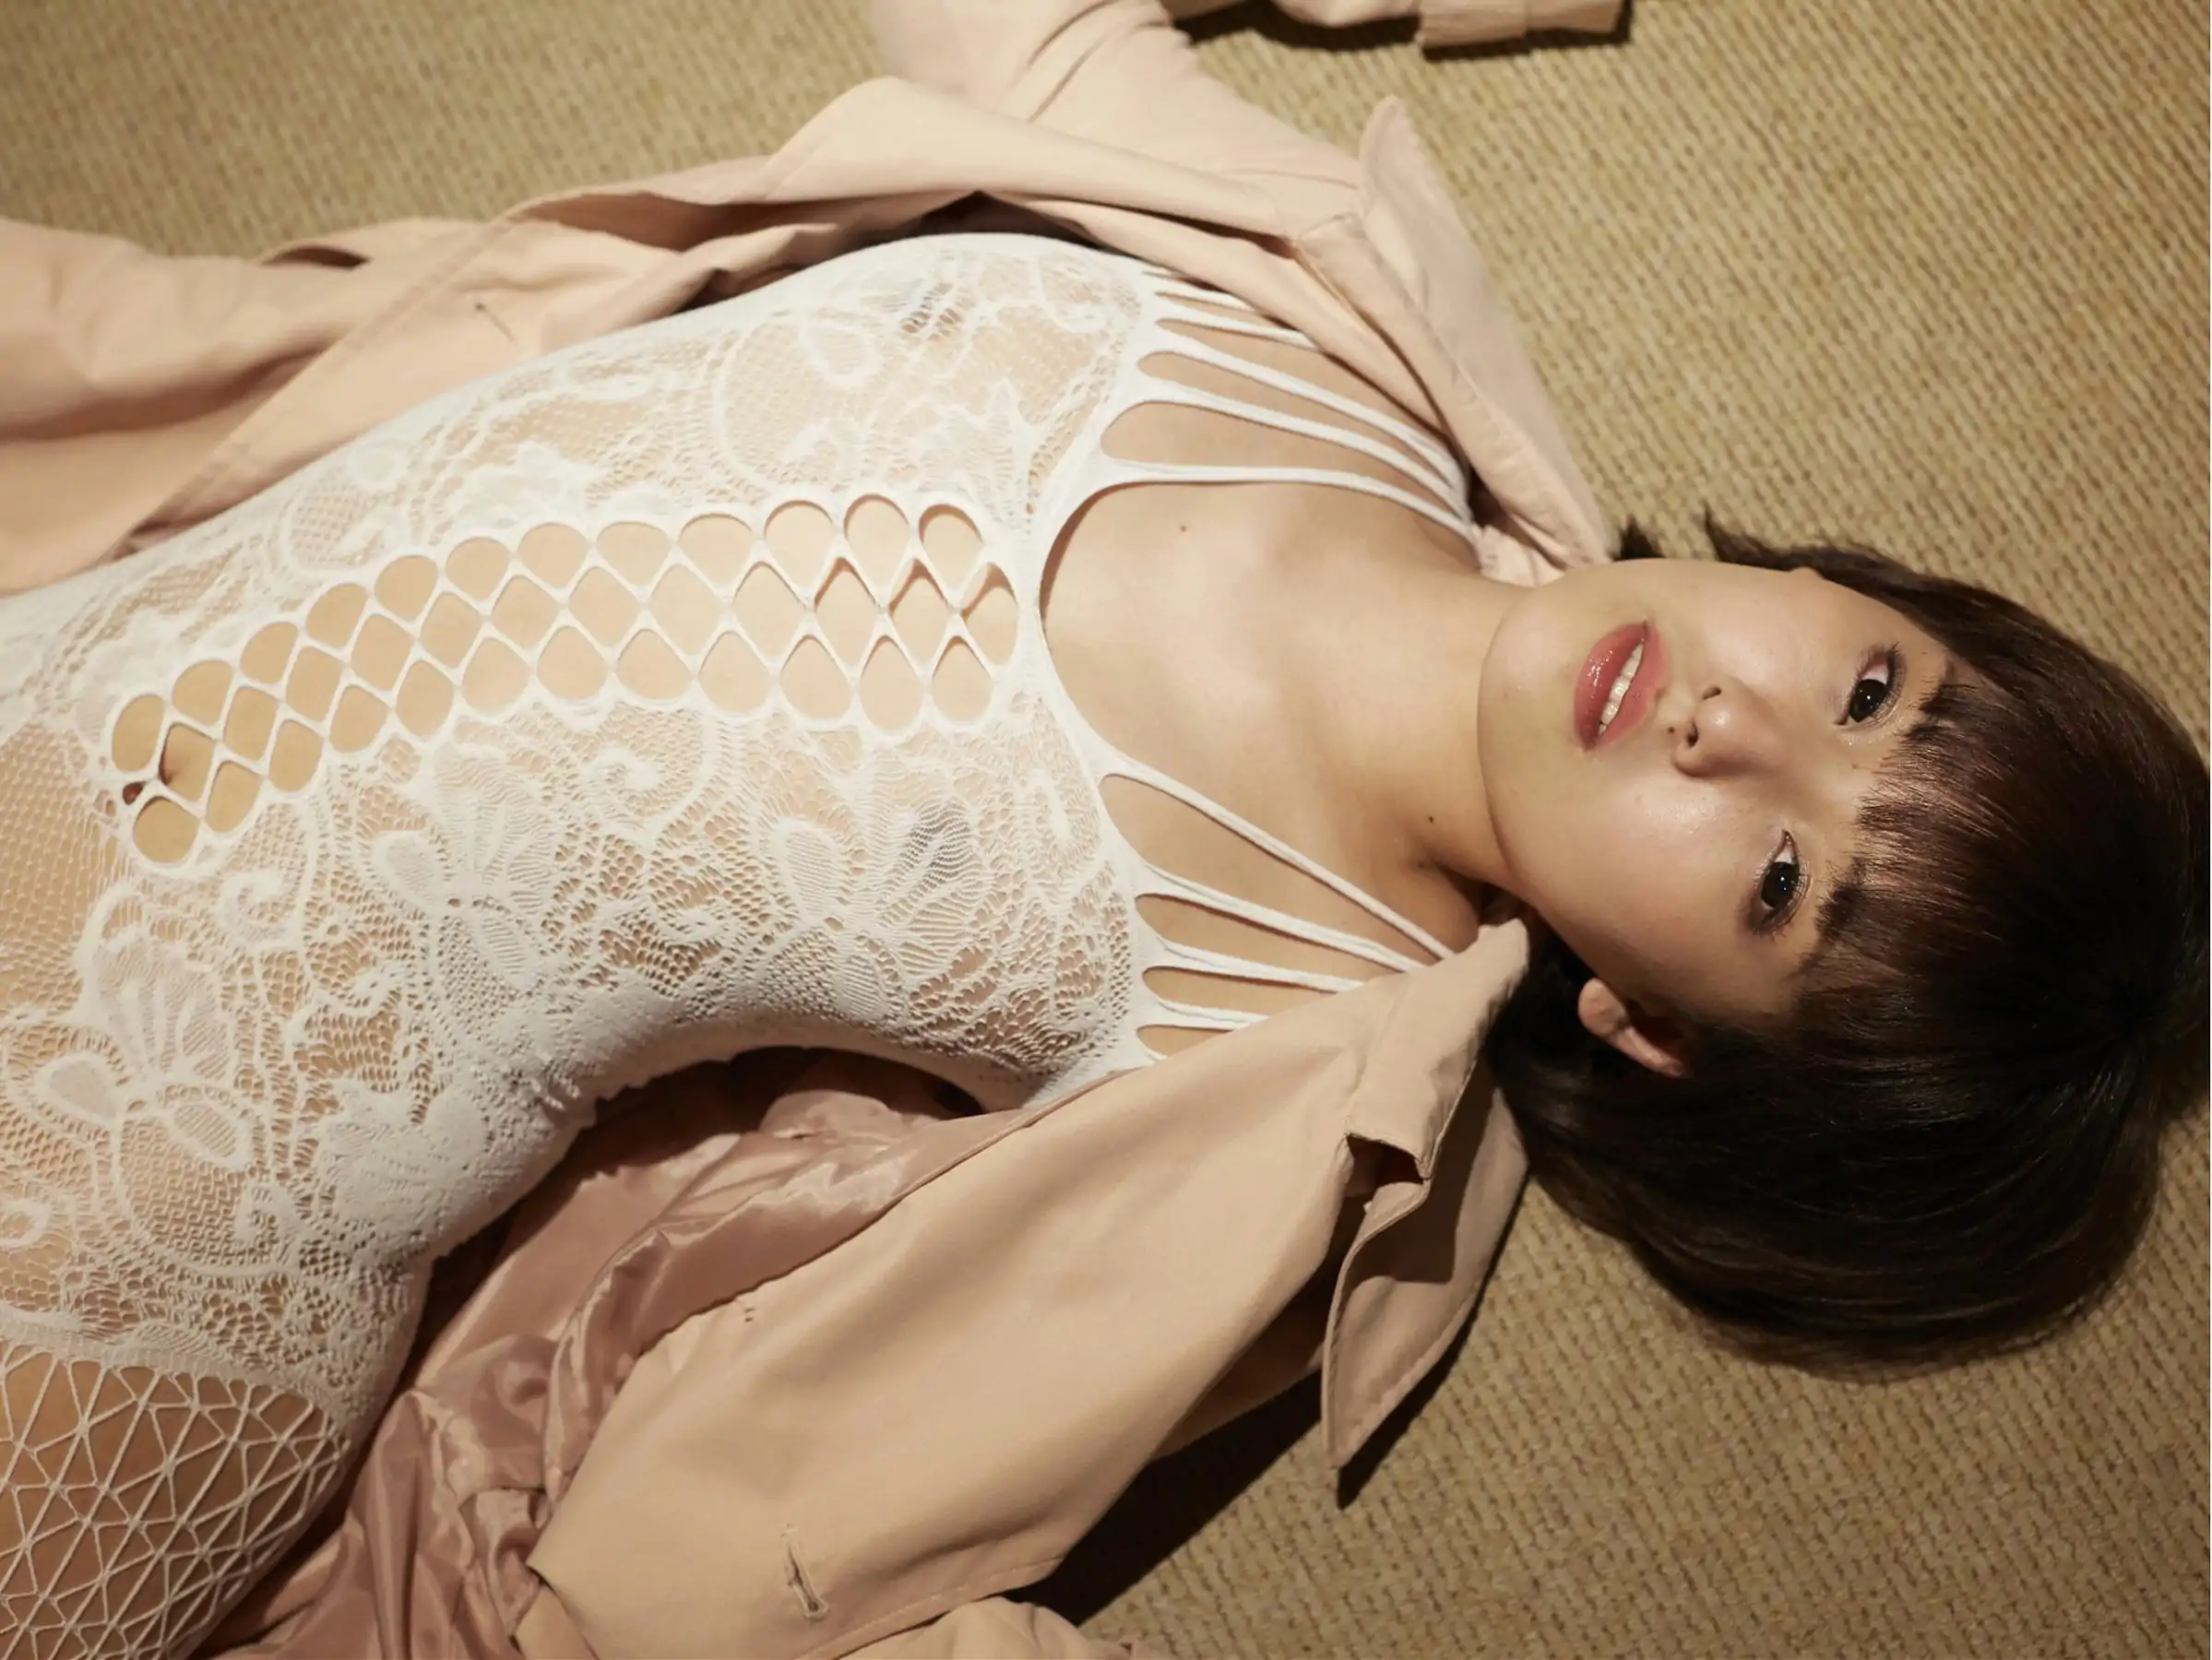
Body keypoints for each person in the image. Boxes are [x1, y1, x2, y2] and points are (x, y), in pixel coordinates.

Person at [0, 8, 2201, 1660]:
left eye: (1782, 885)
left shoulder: (1282, 1065)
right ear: (1854, 587)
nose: (1733, 731)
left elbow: (765, 1534)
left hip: (138, 1265)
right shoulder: (1328, 321)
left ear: (1651, 1028)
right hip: (71, 612)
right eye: (1869, 691)